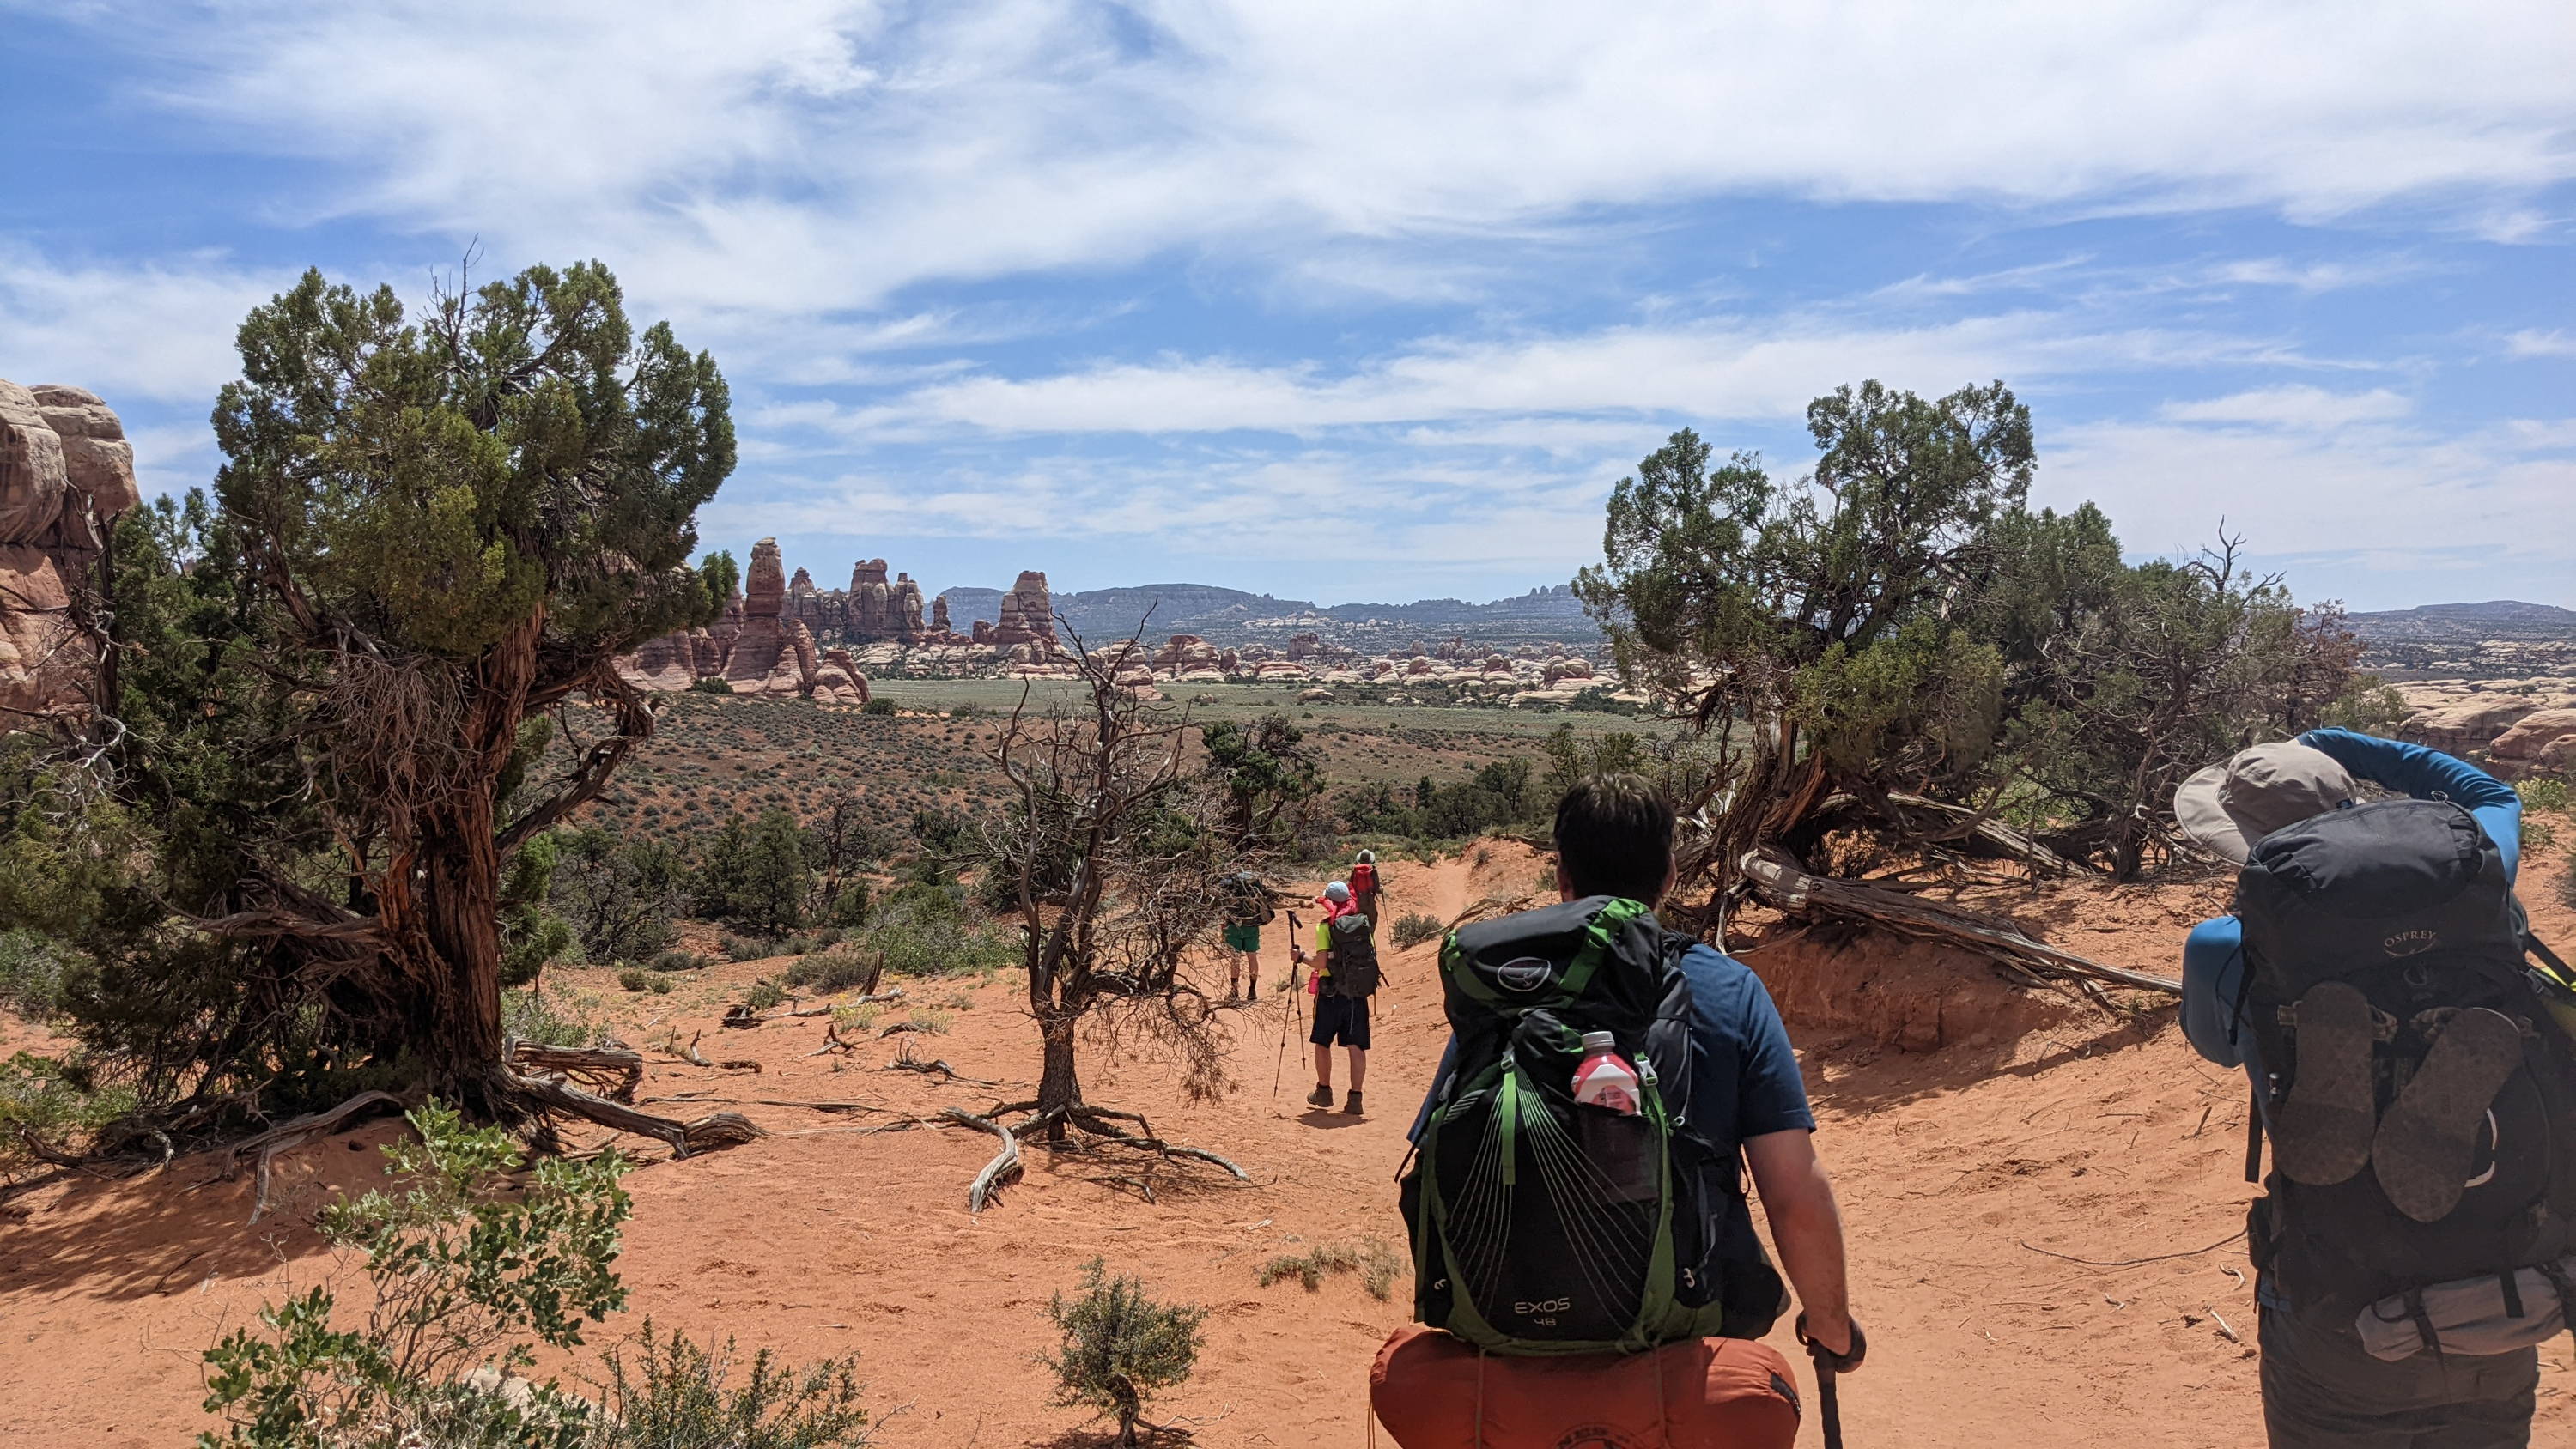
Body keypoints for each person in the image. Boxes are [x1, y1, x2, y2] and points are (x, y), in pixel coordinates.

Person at [1406, 775, 1862, 1369]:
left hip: (1505, 1323)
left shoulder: (1501, 995)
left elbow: (1436, 1151)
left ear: (1562, 875)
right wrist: (1831, 1327)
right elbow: (1792, 1187)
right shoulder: (1728, 990)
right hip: (1682, 1326)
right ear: (1671, 872)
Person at [2176, 728, 2543, 1449]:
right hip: (2503, 1291)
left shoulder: (2224, 945)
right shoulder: (2482, 887)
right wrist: (2334, 743)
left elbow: (2214, 1048)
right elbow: (2492, 792)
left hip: (2335, 1303)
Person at [1296, 880, 1367, 1115]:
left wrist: (1301, 957)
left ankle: (1324, 1092)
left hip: (1330, 993)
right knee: (1356, 1046)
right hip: (1357, 993)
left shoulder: (1325, 927)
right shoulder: (1362, 923)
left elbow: (1321, 963)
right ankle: (1355, 1100)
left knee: (1322, 1041)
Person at [1218, 871, 1273, 1003]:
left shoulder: (1228, 883)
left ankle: (1234, 991)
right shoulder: (1253, 880)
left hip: (1234, 925)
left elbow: (1222, 904)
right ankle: (1252, 990)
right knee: (1252, 957)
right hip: (1252, 925)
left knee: (1235, 959)